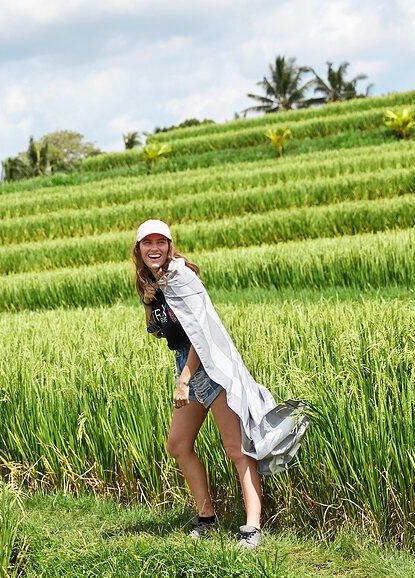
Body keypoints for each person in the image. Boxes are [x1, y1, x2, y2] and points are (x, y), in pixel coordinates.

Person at [132, 219, 308, 549]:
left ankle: (253, 528)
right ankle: (207, 518)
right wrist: (149, 300)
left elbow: (203, 335)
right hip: (187, 365)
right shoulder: (156, 283)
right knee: (178, 445)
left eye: (161, 242)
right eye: (147, 243)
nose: (154, 248)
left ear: (170, 246)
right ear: (138, 249)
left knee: (237, 449)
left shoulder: (182, 277)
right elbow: (158, 330)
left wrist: (184, 380)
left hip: (211, 369)